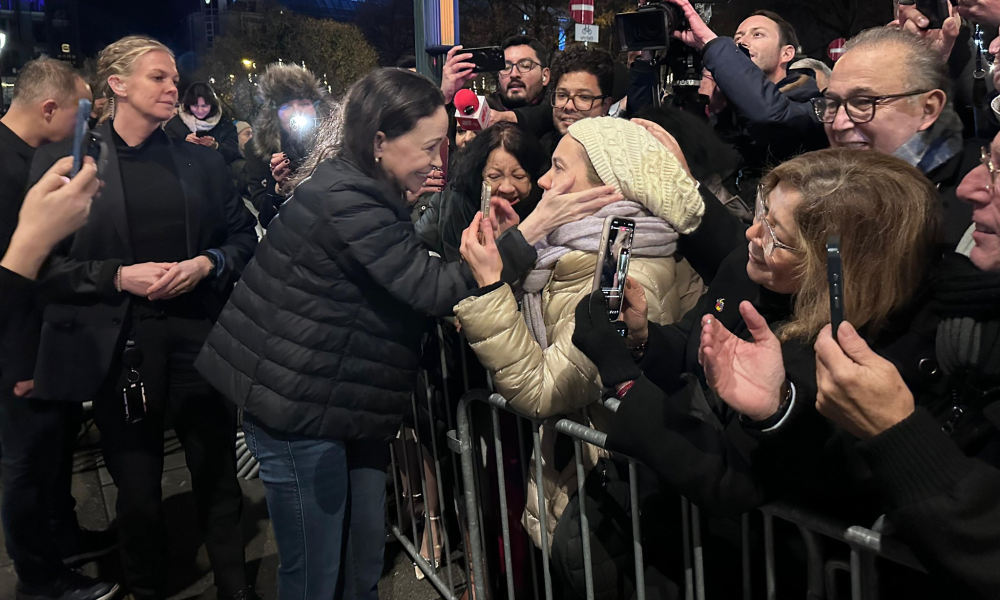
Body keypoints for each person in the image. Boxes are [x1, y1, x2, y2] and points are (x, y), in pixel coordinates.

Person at [194, 67, 535, 600]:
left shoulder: (366, 186)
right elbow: (426, 285)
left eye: (442, 145)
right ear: (379, 142)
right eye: (427, 146)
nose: (436, 159)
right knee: (314, 575)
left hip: (343, 403)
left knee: (359, 562)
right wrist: (531, 233)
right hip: (299, 409)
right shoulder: (345, 194)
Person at [572, 148, 939, 518]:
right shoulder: (748, 268)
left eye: (776, 236)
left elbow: (732, 479)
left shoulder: (847, 356)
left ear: (838, 269)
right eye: (762, 211)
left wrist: (625, 383)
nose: (751, 233)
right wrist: (641, 339)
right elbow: (694, 343)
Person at [28, 35, 259, 600]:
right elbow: (41, 266)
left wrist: (208, 263)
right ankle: (147, 588)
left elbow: (242, 237)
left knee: (218, 482)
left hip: (199, 340)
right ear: (118, 85)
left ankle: (237, 588)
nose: (173, 87)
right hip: (121, 349)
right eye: (159, 77)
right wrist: (117, 276)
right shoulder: (69, 164)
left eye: (174, 77)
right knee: (136, 491)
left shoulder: (201, 160)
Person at [456, 117, 705, 571]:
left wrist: (491, 286)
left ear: (609, 188)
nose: (544, 180)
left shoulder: (621, 272)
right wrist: (517, 252)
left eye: (557, 167)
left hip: (604, 494)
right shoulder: (588, 249)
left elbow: (541, 388)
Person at [804, 132, 1000, 599]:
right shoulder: (967, 320)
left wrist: (897, 432)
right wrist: (777, 412)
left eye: (998, 170)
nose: (971, 187)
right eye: (985, 160)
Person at [0, 57, 122, 600]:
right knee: (25, 467)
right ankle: (39, 576)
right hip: (19, 354)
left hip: (48, 343)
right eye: (83, 112)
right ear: (51, 108)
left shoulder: (36, 156)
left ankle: (65, 539)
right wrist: (21, 365)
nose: (90, 123)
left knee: (53, 456)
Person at [812, 27, 975, 244]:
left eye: (863, 102)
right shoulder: (814, 192)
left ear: (928, 109)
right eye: (832, 104)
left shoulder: (980, 204)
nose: (839, 124)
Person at [664, 0, 827, 185]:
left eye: (757, 34)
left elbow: (770, 114)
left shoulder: (805, 101)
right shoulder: (730, 110)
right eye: (737, 37)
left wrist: (709, 42)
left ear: (786, 54)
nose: (742, 41)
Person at [415, 121, 548, 261]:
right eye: (494, 176)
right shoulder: (455, 199)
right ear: (479, 175)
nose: (507, 187)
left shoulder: (544, 209)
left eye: (519, 176)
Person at [244, 62, 335, 227]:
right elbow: (265, 217)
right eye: (286, 106)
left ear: (316, 107)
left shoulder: (336, 143)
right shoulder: (258, 149)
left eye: (303, 103)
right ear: (274, 114)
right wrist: (278, 188)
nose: (296, 111)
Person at [162, 81, 240, 164]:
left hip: (216, 173)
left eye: (204, 106)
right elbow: (165, 154)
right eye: (195, 106)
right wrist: (183, 144)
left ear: (212, 105)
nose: (200, 110)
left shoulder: (225, 125)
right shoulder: (175, 126)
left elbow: (233, 154)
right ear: (188, 105)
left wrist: (215, 146)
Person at [489, 35, 551, 110]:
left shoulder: (561, 113)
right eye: (506, 68)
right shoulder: (482, 114)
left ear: (545, 76)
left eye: (525, 66)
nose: (514, 74)